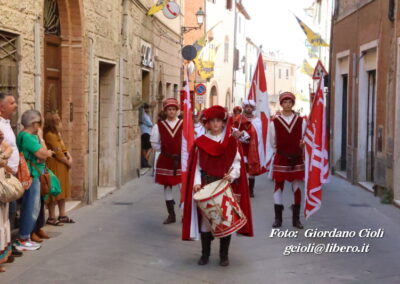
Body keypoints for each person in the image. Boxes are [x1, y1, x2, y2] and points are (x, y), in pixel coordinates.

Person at [182, 105, 254, 267]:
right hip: (207, 185)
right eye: (212, 121)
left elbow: (237, 163)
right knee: (206, 222)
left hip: (224, 185)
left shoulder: (231, 142)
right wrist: (197, 183)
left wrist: (232, 175)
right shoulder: (201, 143)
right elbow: (197, 167)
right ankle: (205, 254)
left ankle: (223, 255)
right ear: (208, 123)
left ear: (223, 123)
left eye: (218, 121)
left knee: (225, 221)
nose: (215, 124)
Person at [14, 110, 54, 251]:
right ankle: (23, 238)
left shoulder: (22, 135)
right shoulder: (29, 137)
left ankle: (25, 237)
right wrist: (42, 141)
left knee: (30, 206)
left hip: (29, 175)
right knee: (31, 207)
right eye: (40, 123)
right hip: (32, 176)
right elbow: (43, 154)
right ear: (35, 124)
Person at [269, 92, 306, 229]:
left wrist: (303, 146)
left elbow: (304, 139)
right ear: (281, 104)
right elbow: (272, 142)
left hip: (297, 158)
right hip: (281, 157)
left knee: (297, 187)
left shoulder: (301, 121)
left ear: (293, 104)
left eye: (290, 102)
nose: (287, 104)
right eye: (285, 102)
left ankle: (296, 219)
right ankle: (278, 218)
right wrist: (279, 151)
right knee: (278, 186)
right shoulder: (275, 122)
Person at [150, 98, 182, 224]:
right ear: (166, 111)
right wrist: (165, 152)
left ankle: (185, 214)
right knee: (167, 186)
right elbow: (154, 144)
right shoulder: (159, 126)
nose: (171, 112)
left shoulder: (183, 124)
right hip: (166, 160)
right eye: (169, 109)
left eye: (174, 109)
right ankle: (171, 214)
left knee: (182, 187)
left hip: (180, 160)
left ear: (177, 111)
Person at [0, 92, 23, 258]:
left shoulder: (7, 123)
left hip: (10, 176)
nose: (15, 105)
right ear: (2, 107)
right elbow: (4, 150)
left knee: (9, 214)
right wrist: (6, 164)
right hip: (4, 177)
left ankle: (6, 248)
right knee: (5, 215)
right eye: (12, 103)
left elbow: (8, 148)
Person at [43, 112, 74, 226]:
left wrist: (69, 157)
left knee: (63, 190)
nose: (60, 120)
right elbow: (58, 152)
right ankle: (51, 217)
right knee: (54, 190)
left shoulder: (57, 134)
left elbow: (64, 148)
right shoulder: (50, 135)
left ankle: (62, 214)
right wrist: (67, 161)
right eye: (57, 119)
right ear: (53, 122)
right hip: (55, 165)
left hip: (62, 165)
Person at [232, 100, 267, 197]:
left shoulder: (256, 120)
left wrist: (243, 133)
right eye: (247, 106)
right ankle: (239, 188)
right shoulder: (238, 118)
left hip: (252, 147)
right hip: (240, 146)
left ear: (253, 109)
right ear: (244, 107)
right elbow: (233, 128)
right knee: (239, 167)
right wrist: (236, 132)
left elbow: (256, 133)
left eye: (250, 107)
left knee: (251, 169)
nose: (248, 108)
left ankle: (250, 190)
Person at [0, 130, 13, 272]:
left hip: (2, 183)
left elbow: (8, 148)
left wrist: (3, 156)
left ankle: (2, 256)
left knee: (3, 220)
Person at [140, 103, 153, 168]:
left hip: (143, 132)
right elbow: (150, 123)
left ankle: (145, 163)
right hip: (147, 132)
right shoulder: (145, 115)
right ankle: (145, 159)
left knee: (144, 148)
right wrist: (151, 124)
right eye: (147, 108)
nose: (148, 109)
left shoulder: (144, 115)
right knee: (150, 147)